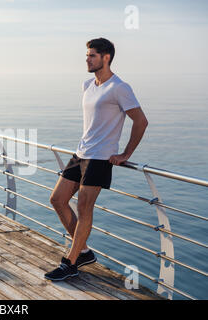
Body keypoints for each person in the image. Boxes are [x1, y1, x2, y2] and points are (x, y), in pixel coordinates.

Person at [44, 38, 149, 281]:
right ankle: (82, 251)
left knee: (83, 208)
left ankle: (70, 263)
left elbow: (141, 121)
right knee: (57, 199)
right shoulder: (87, 85)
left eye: (92, 55)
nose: (87, 59)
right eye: (87, 55)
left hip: (101, 158)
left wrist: (125, 154)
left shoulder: (119, 88)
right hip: (81, 153)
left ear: (106, 57)